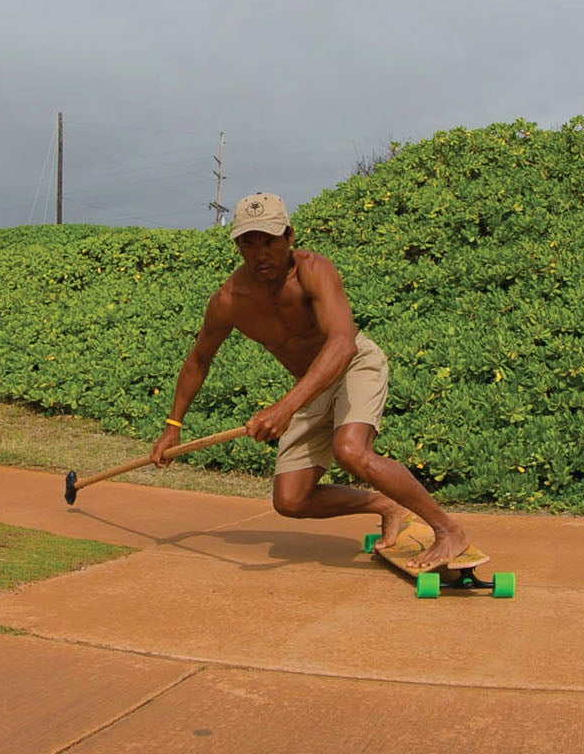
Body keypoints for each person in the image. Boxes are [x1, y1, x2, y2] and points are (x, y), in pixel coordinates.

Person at [150, 192, 477, 572]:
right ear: (237, 245)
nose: (260, 254)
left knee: (351, 450)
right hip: (311, 383)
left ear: (288, 236)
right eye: (248, 243)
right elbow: (198, 361)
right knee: (291, 501)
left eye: (269, 241)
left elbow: (342, 343)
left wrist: (286, 407)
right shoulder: (229, 300)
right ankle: (386, 505)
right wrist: (173, 426)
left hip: (353, 362)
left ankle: (448, 530)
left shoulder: (313, 270)